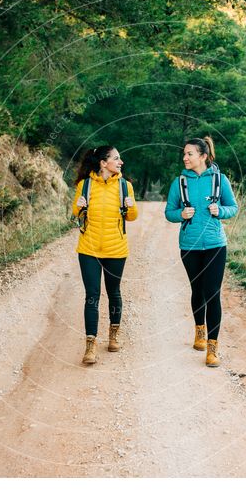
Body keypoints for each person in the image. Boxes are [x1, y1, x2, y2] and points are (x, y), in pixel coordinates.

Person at [164, 136, 238, 367]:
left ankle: (212, 347)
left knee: (212, 293)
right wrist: (180, 215)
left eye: (189, 154)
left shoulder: (219, 180)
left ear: (203, 156)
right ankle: (199, 331)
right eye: (184, 154)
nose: (185, 158)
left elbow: (233, 207)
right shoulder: (179, 183)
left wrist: (220, 211)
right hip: (189, 245)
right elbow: (169, 212)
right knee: (197, 290)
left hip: (216, 244)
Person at [71, 145, 138, 365]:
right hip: (89, 248)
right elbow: (76, 214)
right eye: (116, 158)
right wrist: (79, 207)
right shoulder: (85, 185)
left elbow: (132, 217)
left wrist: (130, 206)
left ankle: (113, 335)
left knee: (114, 292)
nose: (121, 162)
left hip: (116, 249)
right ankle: (90, 346)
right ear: (103, 162)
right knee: (92, 295)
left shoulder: (125, 186)